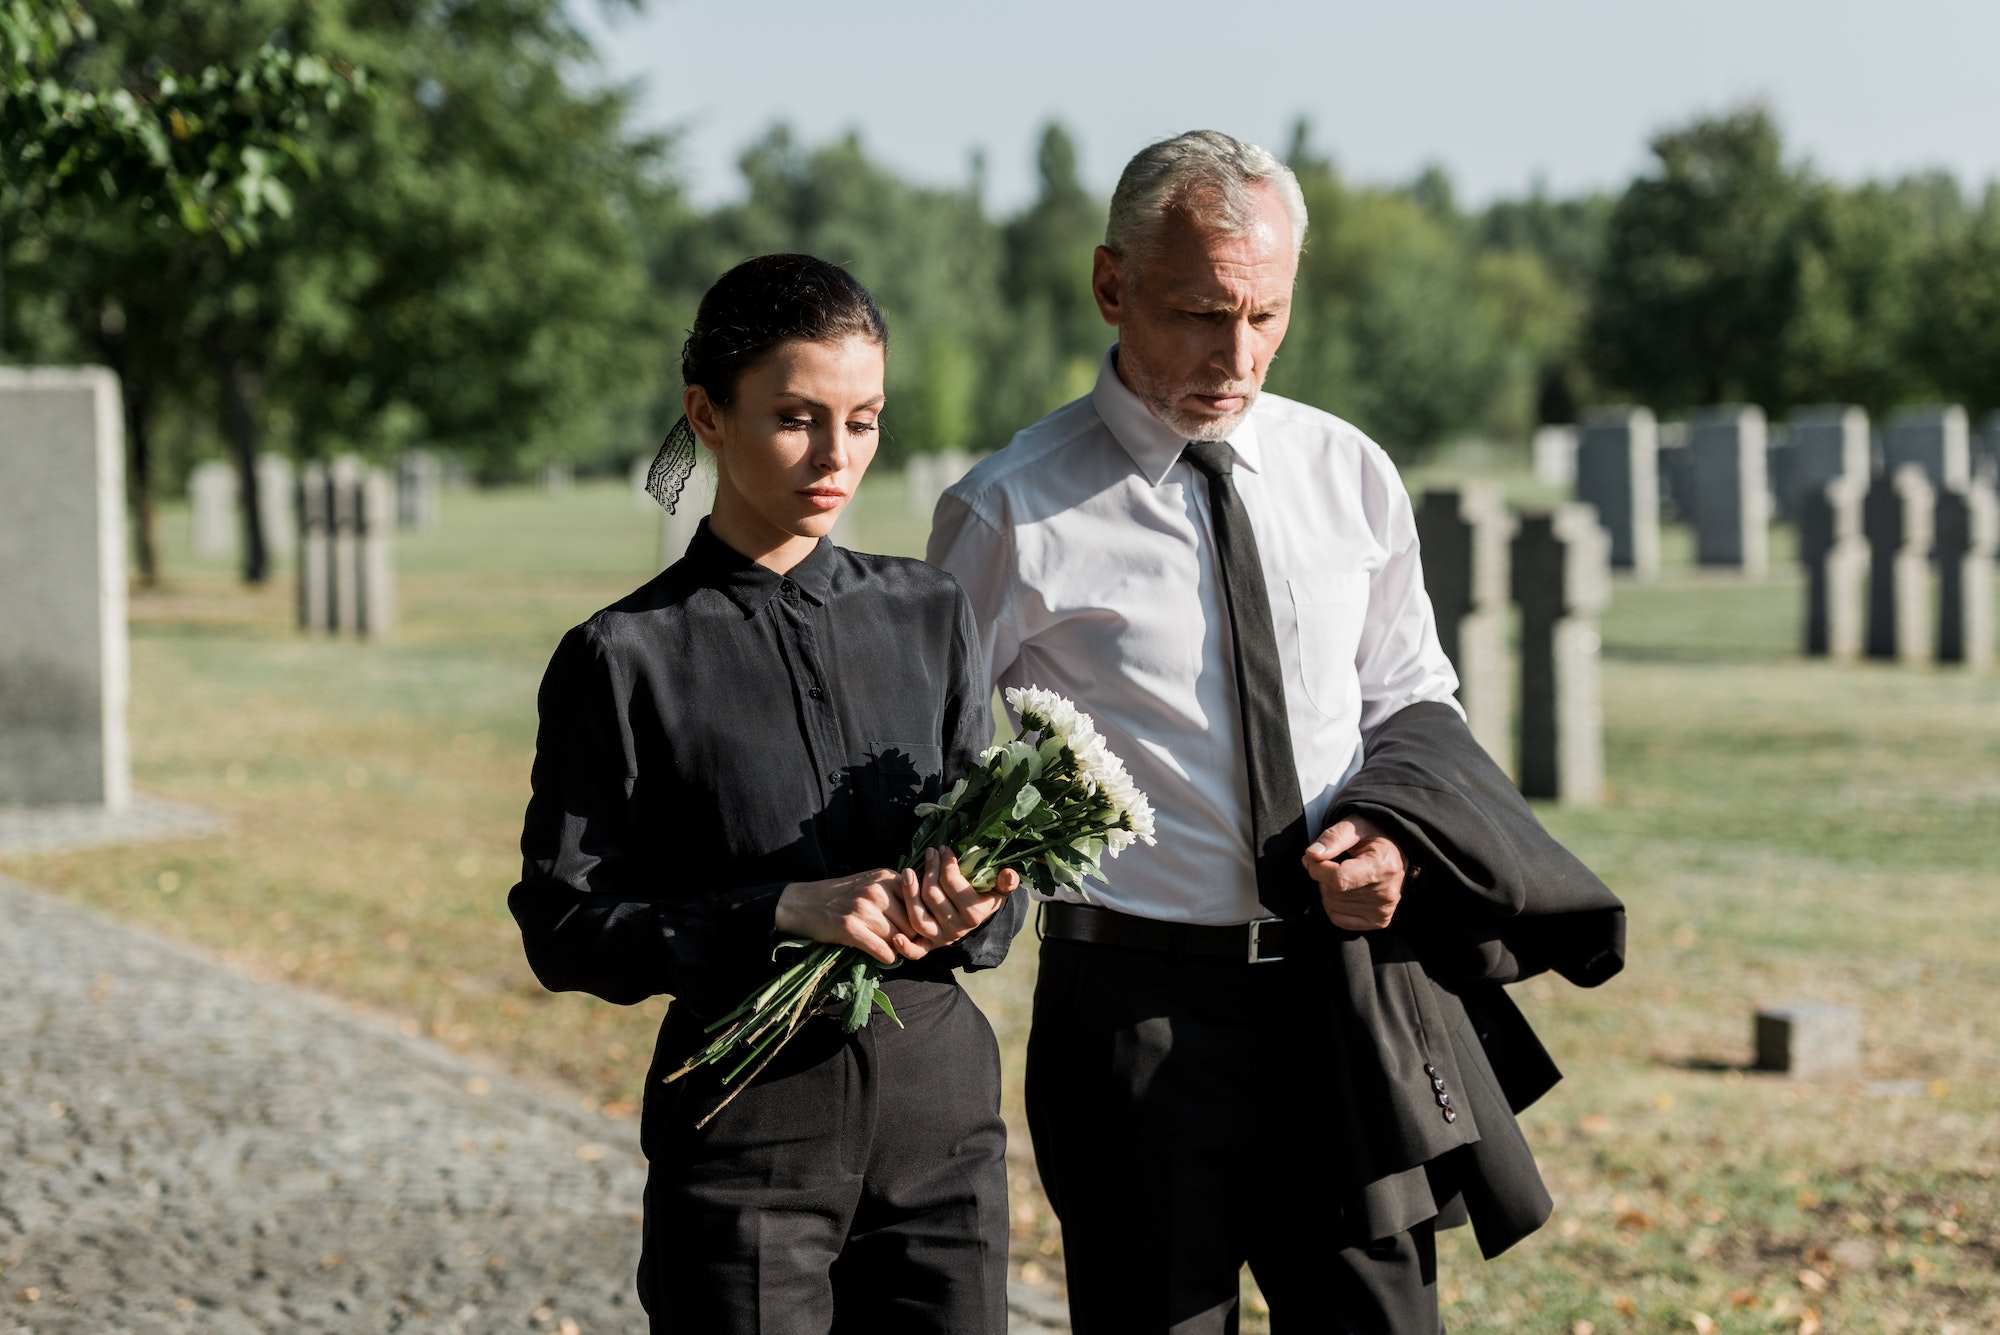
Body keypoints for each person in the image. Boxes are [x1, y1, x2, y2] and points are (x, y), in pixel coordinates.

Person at [929, 131, 1623, 1334]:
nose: (1234, 355)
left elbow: (1410, 699)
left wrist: (1392, 843)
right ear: (1111, 287)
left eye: (1265, 315)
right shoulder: (1008, 509)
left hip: (1342, 1000)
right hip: (1134, 1019)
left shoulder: (1344, 470)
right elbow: (936, 759)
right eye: (1201, 313)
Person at [511, 253, 1026, 1335]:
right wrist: (778, 911)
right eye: (796, 418)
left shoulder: (931, 613)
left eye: (864, 419)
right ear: (706, 413)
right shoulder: (622, 657)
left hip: (943, 1131)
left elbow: (996, 891)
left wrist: (980, 902)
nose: (837, 457)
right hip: (746, 1148)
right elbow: (564, 930)